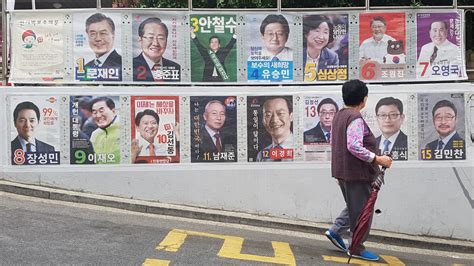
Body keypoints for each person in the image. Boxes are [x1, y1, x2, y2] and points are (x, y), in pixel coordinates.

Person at [325, 79, 392, 261]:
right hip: (357, 174)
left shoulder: (339, 115)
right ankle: (356, 247)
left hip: (342, 172)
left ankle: (335, 230)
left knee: (355, 206)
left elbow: (337, 143)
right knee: (363, 212)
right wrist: (377, 158)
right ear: (364, 99)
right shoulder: (355, 118)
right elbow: (353, 146)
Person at [133, 17, 181, 82]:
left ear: (166, 41)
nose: (155, 43)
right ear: (140, 40)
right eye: (150, 37)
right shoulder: (131, 66)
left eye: (161, 38)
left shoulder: (176, 67)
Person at [256, 97, 294, 162]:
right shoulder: (261, 155)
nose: (274, 120)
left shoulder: (304, 150)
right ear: (263, 120)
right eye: (268, 115)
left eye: (280, 113)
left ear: (291, 116)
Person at [89, 97, 120, 164]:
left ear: (113, 111)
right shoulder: (95, 134)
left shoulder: (125, 130)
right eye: (94, 112)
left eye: (101, 111)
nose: (98, 115)